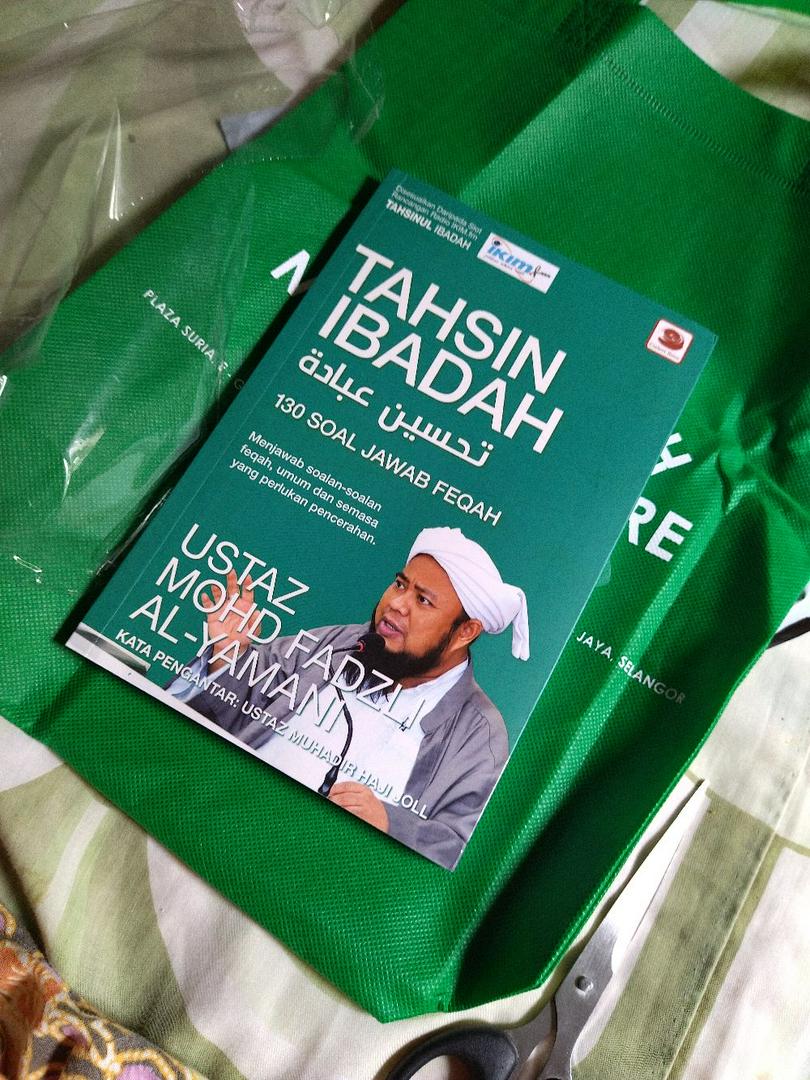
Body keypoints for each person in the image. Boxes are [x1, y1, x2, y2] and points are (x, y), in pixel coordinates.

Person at [169, 526, 529, 869]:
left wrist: (388, 823)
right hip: (209, 818)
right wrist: (227, 656)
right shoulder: (339, 644)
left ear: (465, 632)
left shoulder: (479, 734)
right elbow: (225, 714)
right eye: (400, 584)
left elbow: (461, 851)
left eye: (422, 600)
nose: (396, 604)